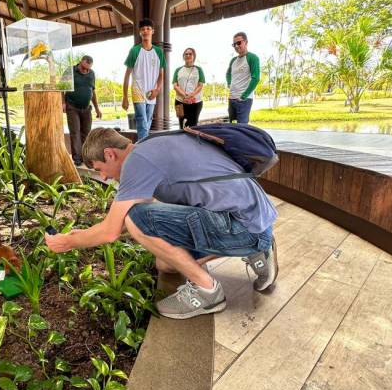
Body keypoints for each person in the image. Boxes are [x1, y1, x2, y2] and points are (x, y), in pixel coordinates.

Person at [45, 127, 278, 320]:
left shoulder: (137, 163)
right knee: (165, 264)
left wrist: (67, 242)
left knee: (136, 217)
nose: (103, 177)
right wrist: (83, 234)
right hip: (254, 220)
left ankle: (208, 292)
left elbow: (112, 231)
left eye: (99, 170)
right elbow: (134, 219)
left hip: (243, 226)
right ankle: (259, 249)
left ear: (109, 154)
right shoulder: (150, 146)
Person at [122, 18, 165, 140]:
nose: (145, 31)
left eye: (148, 29)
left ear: (153, 31)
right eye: (142, 29)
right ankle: (143, 147)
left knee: (148, 121)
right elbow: (127, 75)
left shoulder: (158, 52)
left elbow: (161, 74)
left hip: (152, 92)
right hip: (138, 90)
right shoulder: (135, 51)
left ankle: (140, 144)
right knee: (141, 119)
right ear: (140, 32)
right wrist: (125, 97)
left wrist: (157, 90)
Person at [63, 55, 101, 166]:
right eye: (84, 68)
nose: (86, 71)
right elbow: (62, 88)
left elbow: (93, 92)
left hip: (86, 108)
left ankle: (86, 158)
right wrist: (63, 103)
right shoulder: (69, 71)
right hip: (72, 107)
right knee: (75, 132)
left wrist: (97, 109)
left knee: (87, 133)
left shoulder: (91, 74)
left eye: (88, 69)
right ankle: (77, 159)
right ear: (80, 63)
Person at [226, 32, 260, 125]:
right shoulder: (233, 60)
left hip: (244, 100)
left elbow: (256, 78)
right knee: (232, 126)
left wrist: (244, 96)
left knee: (242, 128)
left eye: (239, 43)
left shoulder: (252, 58)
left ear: (246, 42)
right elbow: (228, 73)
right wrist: (229, 83)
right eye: (234, 44)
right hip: (232, 98)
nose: (236, 46)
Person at [173, 48, 205, 128]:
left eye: (190, 54)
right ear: (183, 56)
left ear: (194, 56)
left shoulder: (199, 70)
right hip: (179, 102)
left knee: (193, 126)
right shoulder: (178, 70)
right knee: (181, 125)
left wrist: (191, 95)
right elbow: (175, 86)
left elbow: (200, 85)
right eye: (186, 54)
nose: (188, 55)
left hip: (195, 103)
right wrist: (184, 96)